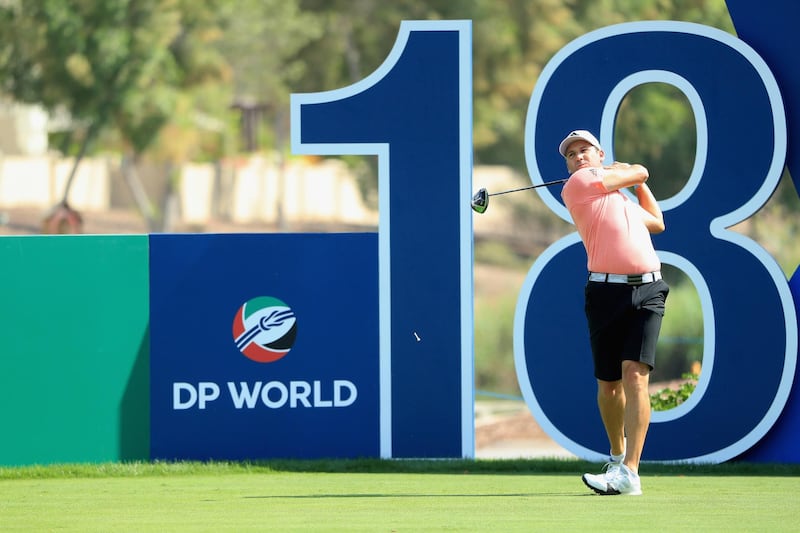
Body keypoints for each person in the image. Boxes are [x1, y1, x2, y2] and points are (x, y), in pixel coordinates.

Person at [558, 129, 669, 496]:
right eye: (571, 154)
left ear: (599, 153)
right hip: (605, 292)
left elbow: (656, 221)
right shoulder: (579, 185)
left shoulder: (615, 199)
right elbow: (642, 170)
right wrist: (629, 170)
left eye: (584, 150)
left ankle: (630, 473)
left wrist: (634, 186)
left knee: (635, 375)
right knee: (609, 386)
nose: (578, 157)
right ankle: (618, 456)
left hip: (649, 288)